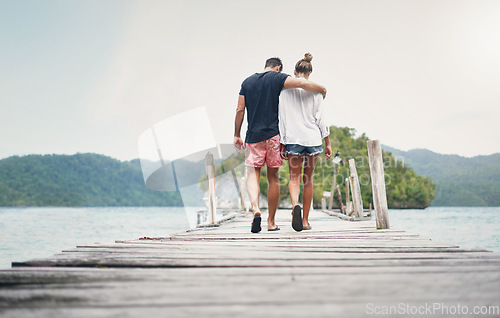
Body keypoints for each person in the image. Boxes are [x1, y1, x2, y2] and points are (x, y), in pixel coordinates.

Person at [234, 57, 327, 233]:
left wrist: (236, 134)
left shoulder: (246, 82)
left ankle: (255, 209)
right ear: (278, 68)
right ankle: (271, 222)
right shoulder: (278, 78)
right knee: (273, 179)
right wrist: (322, 89)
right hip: (273, 136)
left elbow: (240, 110)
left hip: (253, 136)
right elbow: (302, 84)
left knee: (253, 174)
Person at [279, 53, 332, 231]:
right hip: (312, 139)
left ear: (295, 72)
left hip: (293, 138)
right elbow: (321, 120)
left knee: (294, 178)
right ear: (310, 73)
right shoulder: (316, 92)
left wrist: (283, 142)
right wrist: (328, 143)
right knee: (307, 179)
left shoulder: (284, 91)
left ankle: (295, 206)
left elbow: (282, 118)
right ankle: (305, 221)